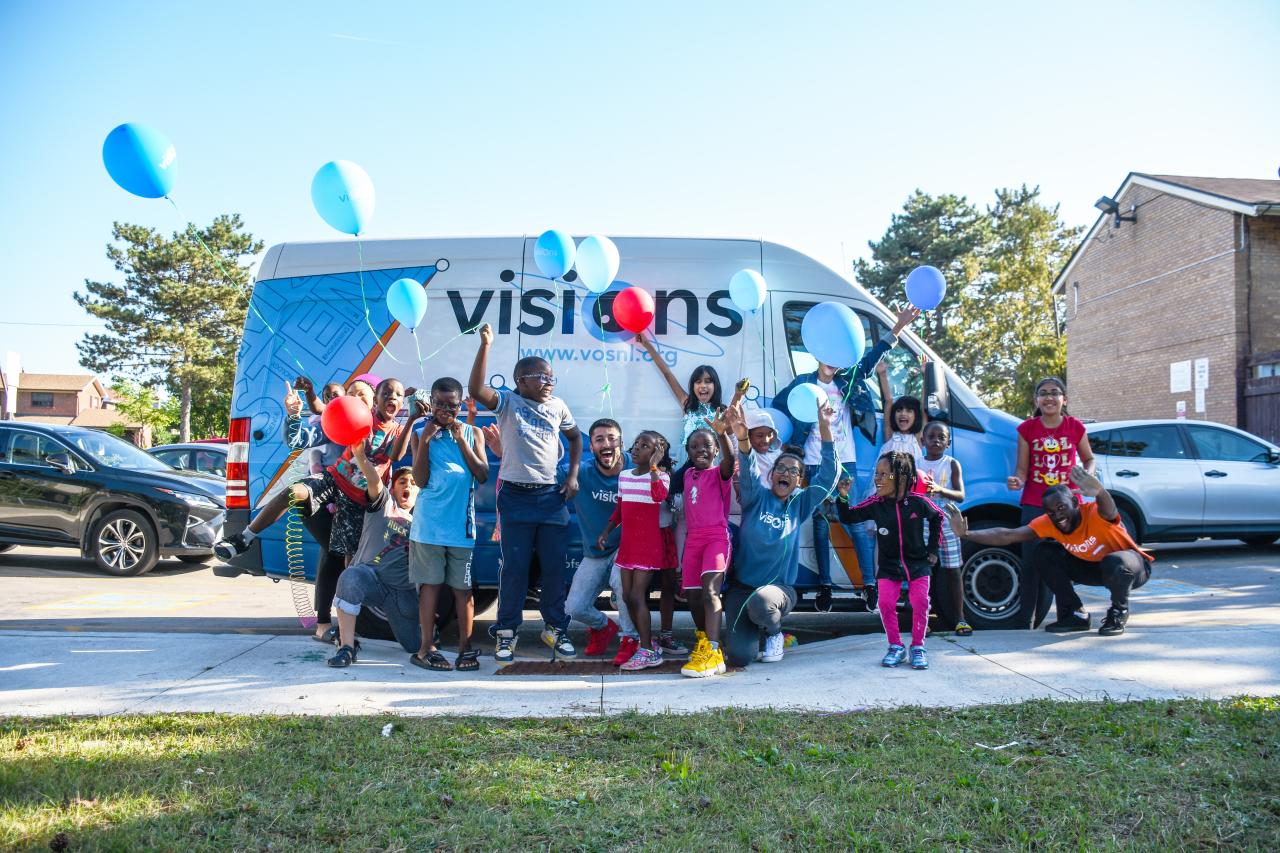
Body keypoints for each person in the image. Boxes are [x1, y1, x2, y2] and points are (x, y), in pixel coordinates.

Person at [774, 306, 920, 610]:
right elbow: (779, 409)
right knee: (820, 525)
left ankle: (869, 585)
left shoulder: (848, 381)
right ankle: (824, 586)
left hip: (845, 464)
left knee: (854, 522)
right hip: (813, 465)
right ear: (815, 351)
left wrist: (897, 328)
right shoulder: (802, 384)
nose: (830, 357)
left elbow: (869, 362)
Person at [213, 378, 380, 642]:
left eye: (363, 395)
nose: (355, 399)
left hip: (356, 505)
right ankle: (244, 538)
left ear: (374, 401)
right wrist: (292, 415)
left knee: (341, 558)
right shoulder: (334, 423)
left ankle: (341, 629)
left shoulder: (382, 430)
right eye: (351, 394)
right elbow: (299, 439)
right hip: (327, 496)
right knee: (332, 551)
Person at [469, 323, 582, 663]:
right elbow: (476, 389)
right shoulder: (509, 403)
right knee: (515, 568)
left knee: (554, 569)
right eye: (540, 377)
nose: (548, 383)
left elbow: (576, 438)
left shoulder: (558, 406)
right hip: (515, 498)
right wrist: (486, 344)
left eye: (551, 378)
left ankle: (556, 629)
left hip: (550, 498)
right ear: (521, 381)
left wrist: (573, 475)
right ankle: (506, 633)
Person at [947, 467, 1153, 636]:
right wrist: (966, 534)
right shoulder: (1049, 523)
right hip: (1094, 569)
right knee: (1044, 552)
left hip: (1131, 568)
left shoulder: (1095, 513)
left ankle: (1118, 613)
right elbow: (1008, 535)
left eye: (1062, 508)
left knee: (1113, 561)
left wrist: (1100, 492)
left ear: (1074, 502)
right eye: (1051, 512)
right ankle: (1074, 614)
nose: (1057, 516)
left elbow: (1110, 510)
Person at [719, 401, 836, 671]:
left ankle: (774, 634)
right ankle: (756, 632)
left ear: (800, 481)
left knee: (762, 602)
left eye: (795, 471)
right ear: (771, 474)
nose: (787, 473)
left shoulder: (800, 504)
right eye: (781, 468)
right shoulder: (755, 497)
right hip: (741, 588)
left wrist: (825, 429)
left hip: (778, 591)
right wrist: (741, 436)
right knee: (740, 657)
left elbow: (828, 477)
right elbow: (747, 466)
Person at [408, 377, 488, 672]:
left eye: (451, 406)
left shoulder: (472, 432)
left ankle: (466, 649)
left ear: (459, 404)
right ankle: (425, 647)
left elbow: (481, 474)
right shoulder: (420, 432)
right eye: (439, 404)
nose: (445, 410)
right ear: (433, 403)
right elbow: (420, 480)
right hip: (429, 526)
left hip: (461, 529)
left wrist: (461, 440)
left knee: (463, 590)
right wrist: (427, 440)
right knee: (430, 586)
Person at [838, 452, 941, 670]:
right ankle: (895, 646)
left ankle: (917, 647)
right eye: (877, 474)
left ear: (901, 477)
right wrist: (843, 497)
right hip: (889, 565)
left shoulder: (918, 502)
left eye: (884, 474)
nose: (877, 479)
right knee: (884, 604)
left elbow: (937, 517)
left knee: (920, 602)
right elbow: (849, 516)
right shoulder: (876, 504)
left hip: (918, 564)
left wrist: (933, 549)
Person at [1007, 376, 1096, 624]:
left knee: (1064, 562)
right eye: (1043, 393)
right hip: (1035, 504)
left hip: (1068, 506)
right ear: (1036, 399)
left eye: (1055, 392)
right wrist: (1017, 480)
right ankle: (1025, 620)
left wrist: (1087, 475)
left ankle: (1068, 616)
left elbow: (1089, 458)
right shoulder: (1027, 429)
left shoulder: (1075, 427)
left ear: (1063, 399)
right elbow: (1022, 469)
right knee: (1031, 563)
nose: (1049, 397)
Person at [326, 446, 420, 667]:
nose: (408, 486)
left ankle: (423, 634)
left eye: (414, 484)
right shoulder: (383, 503)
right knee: (349, 578)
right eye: (402, 482)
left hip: (400, 591)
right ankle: (347, 647)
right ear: (393, 488)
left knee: (414, 645)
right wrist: (360, 456)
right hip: (369, 579)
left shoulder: (422, 523)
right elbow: (374, 481)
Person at [564, 418, 640, 663]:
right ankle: (603, 627)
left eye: (611, 438)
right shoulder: (582, 472)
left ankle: (631, 637)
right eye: (599, 439)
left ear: (621, 443)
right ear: (592, 447)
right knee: (574, 607)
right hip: (595, 552)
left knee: (621, 582)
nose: (606, 443)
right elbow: (541, 474)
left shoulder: (636, 470)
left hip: (627, 547)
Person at [597, 431, 672, 670]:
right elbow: (620, 509)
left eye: (645, 445)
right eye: (637, 443)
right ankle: (647, 643)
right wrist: (607, 531)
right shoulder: (625, 476)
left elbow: (659, 495)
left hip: (648, 546)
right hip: (628, 545)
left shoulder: (661, 476)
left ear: (657, 453)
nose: (637, 448)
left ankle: (648, 650)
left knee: (638, 596)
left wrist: (653, 468)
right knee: (626, 597)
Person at [677, 416, 736, 678]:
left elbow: (731, 461)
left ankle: (713, 653)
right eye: (694, 446)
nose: (701, 449)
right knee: (691, 595)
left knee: (710, 591)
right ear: (688, 452)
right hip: (693, 539)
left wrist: (722, 434)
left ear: (714, 450)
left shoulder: (720, 473)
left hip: (715, 538)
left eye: (706, 445)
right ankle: (704, 639)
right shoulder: (688, 474)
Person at [917, 421, 971, 635]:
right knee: (922, 573)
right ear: (923, 441)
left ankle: (960, 618)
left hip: (948, 523)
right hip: (922, 524)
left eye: (942, 437)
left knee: (953, 571)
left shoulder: (952, 464)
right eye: (931, 437)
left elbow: (960, 494)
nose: (936, 441)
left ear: (948, 442)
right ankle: (923, 620)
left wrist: (940, 489)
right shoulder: (916, 463)